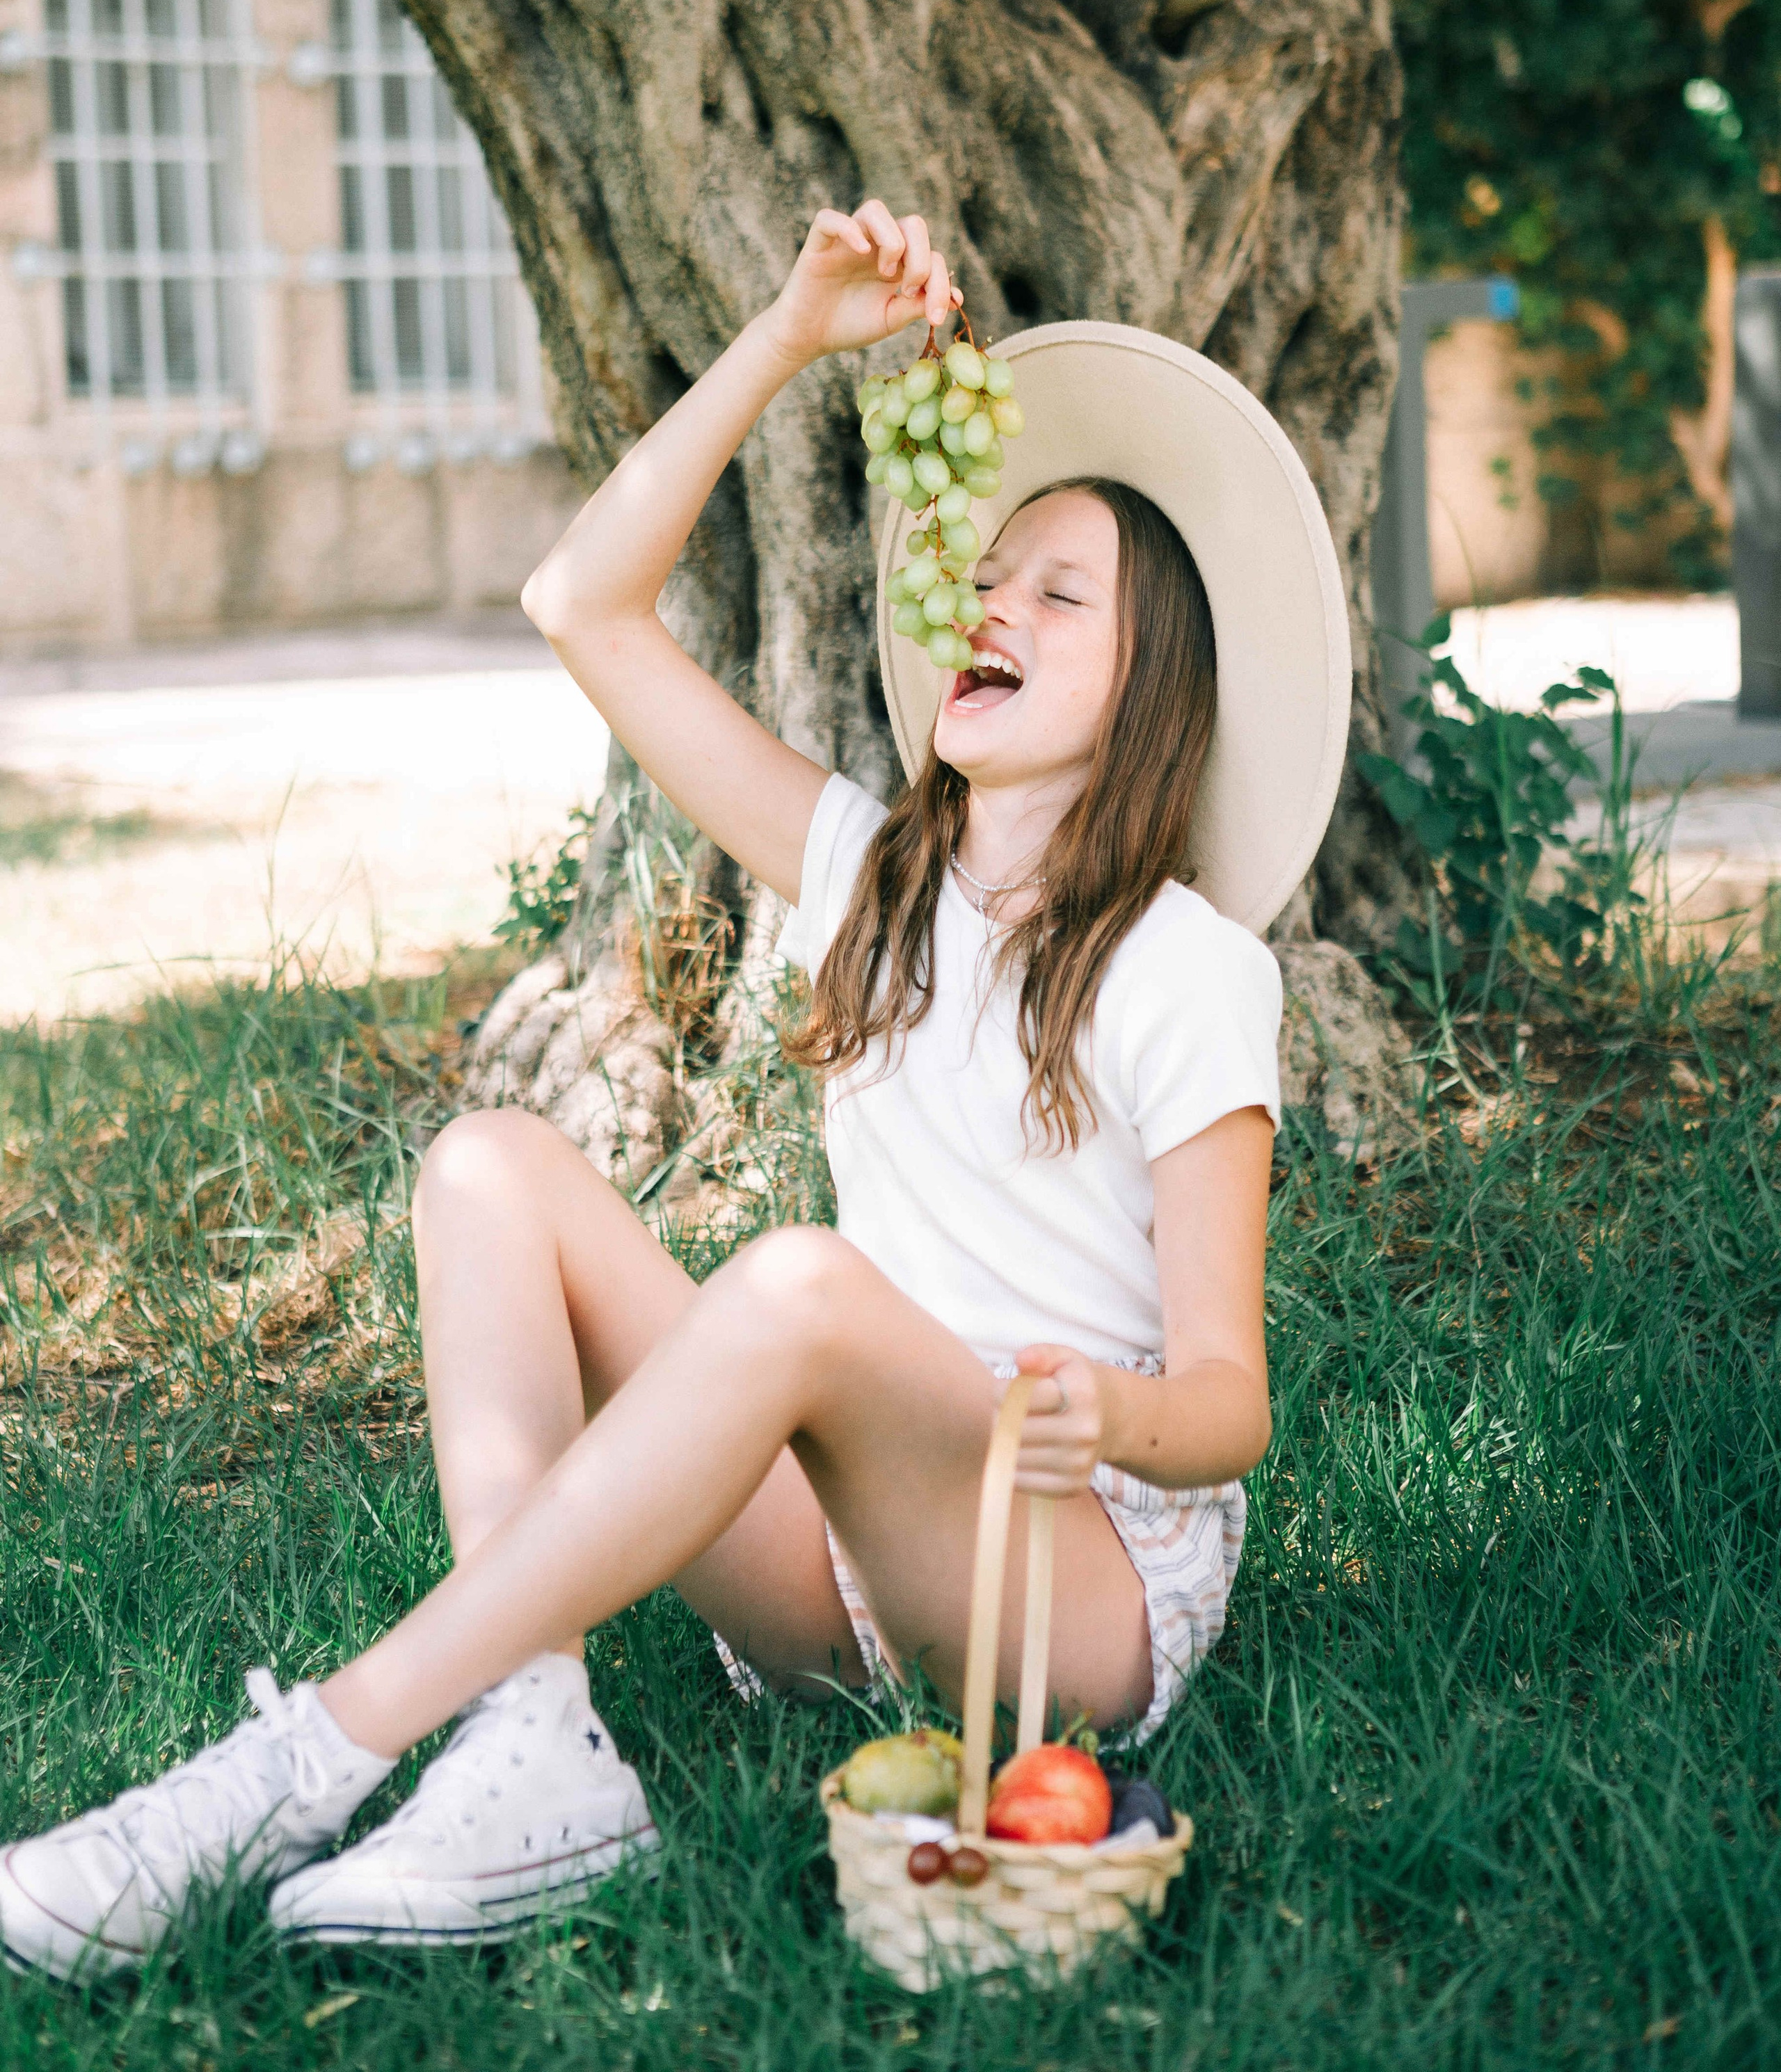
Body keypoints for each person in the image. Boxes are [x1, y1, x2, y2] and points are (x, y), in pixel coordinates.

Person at [0, 202, 1350, 1980]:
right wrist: (791, 334)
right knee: (490, 1163)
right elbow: (583, 602)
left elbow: (1229, 1402)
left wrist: (1108, 1410)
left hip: (1066, 1586)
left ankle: (301, 1760)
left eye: (1057, 590)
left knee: (796, 1284)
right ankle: (533, 1744)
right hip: (836, 1573)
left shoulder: (1186, 969)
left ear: (1147, 680)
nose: (988, 601)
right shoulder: (863, 883)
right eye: (986, 572)